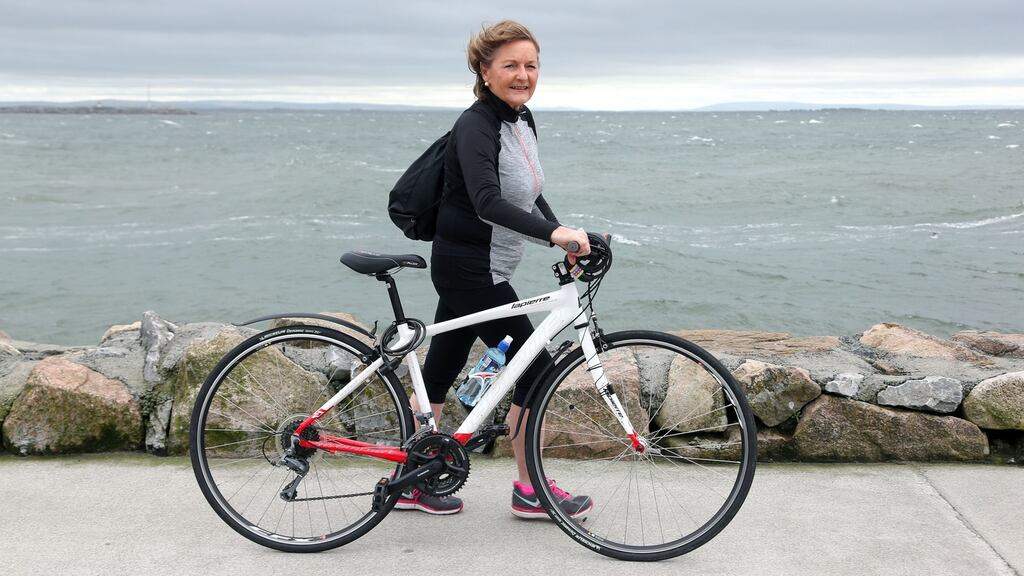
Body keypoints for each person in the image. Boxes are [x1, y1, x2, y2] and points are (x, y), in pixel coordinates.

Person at [394, 20, 593, 518]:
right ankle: (532, 491)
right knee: (536, 369)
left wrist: (558, 229)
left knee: (439, 372)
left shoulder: (521, 119)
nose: (523, 75)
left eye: (531, 65)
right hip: (470, 269)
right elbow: (486, 201)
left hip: (485, 266)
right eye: (510, 65)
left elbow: (528, 190)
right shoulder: (476, 125)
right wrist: (553, 235)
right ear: (484, 71)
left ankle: (409, 480)